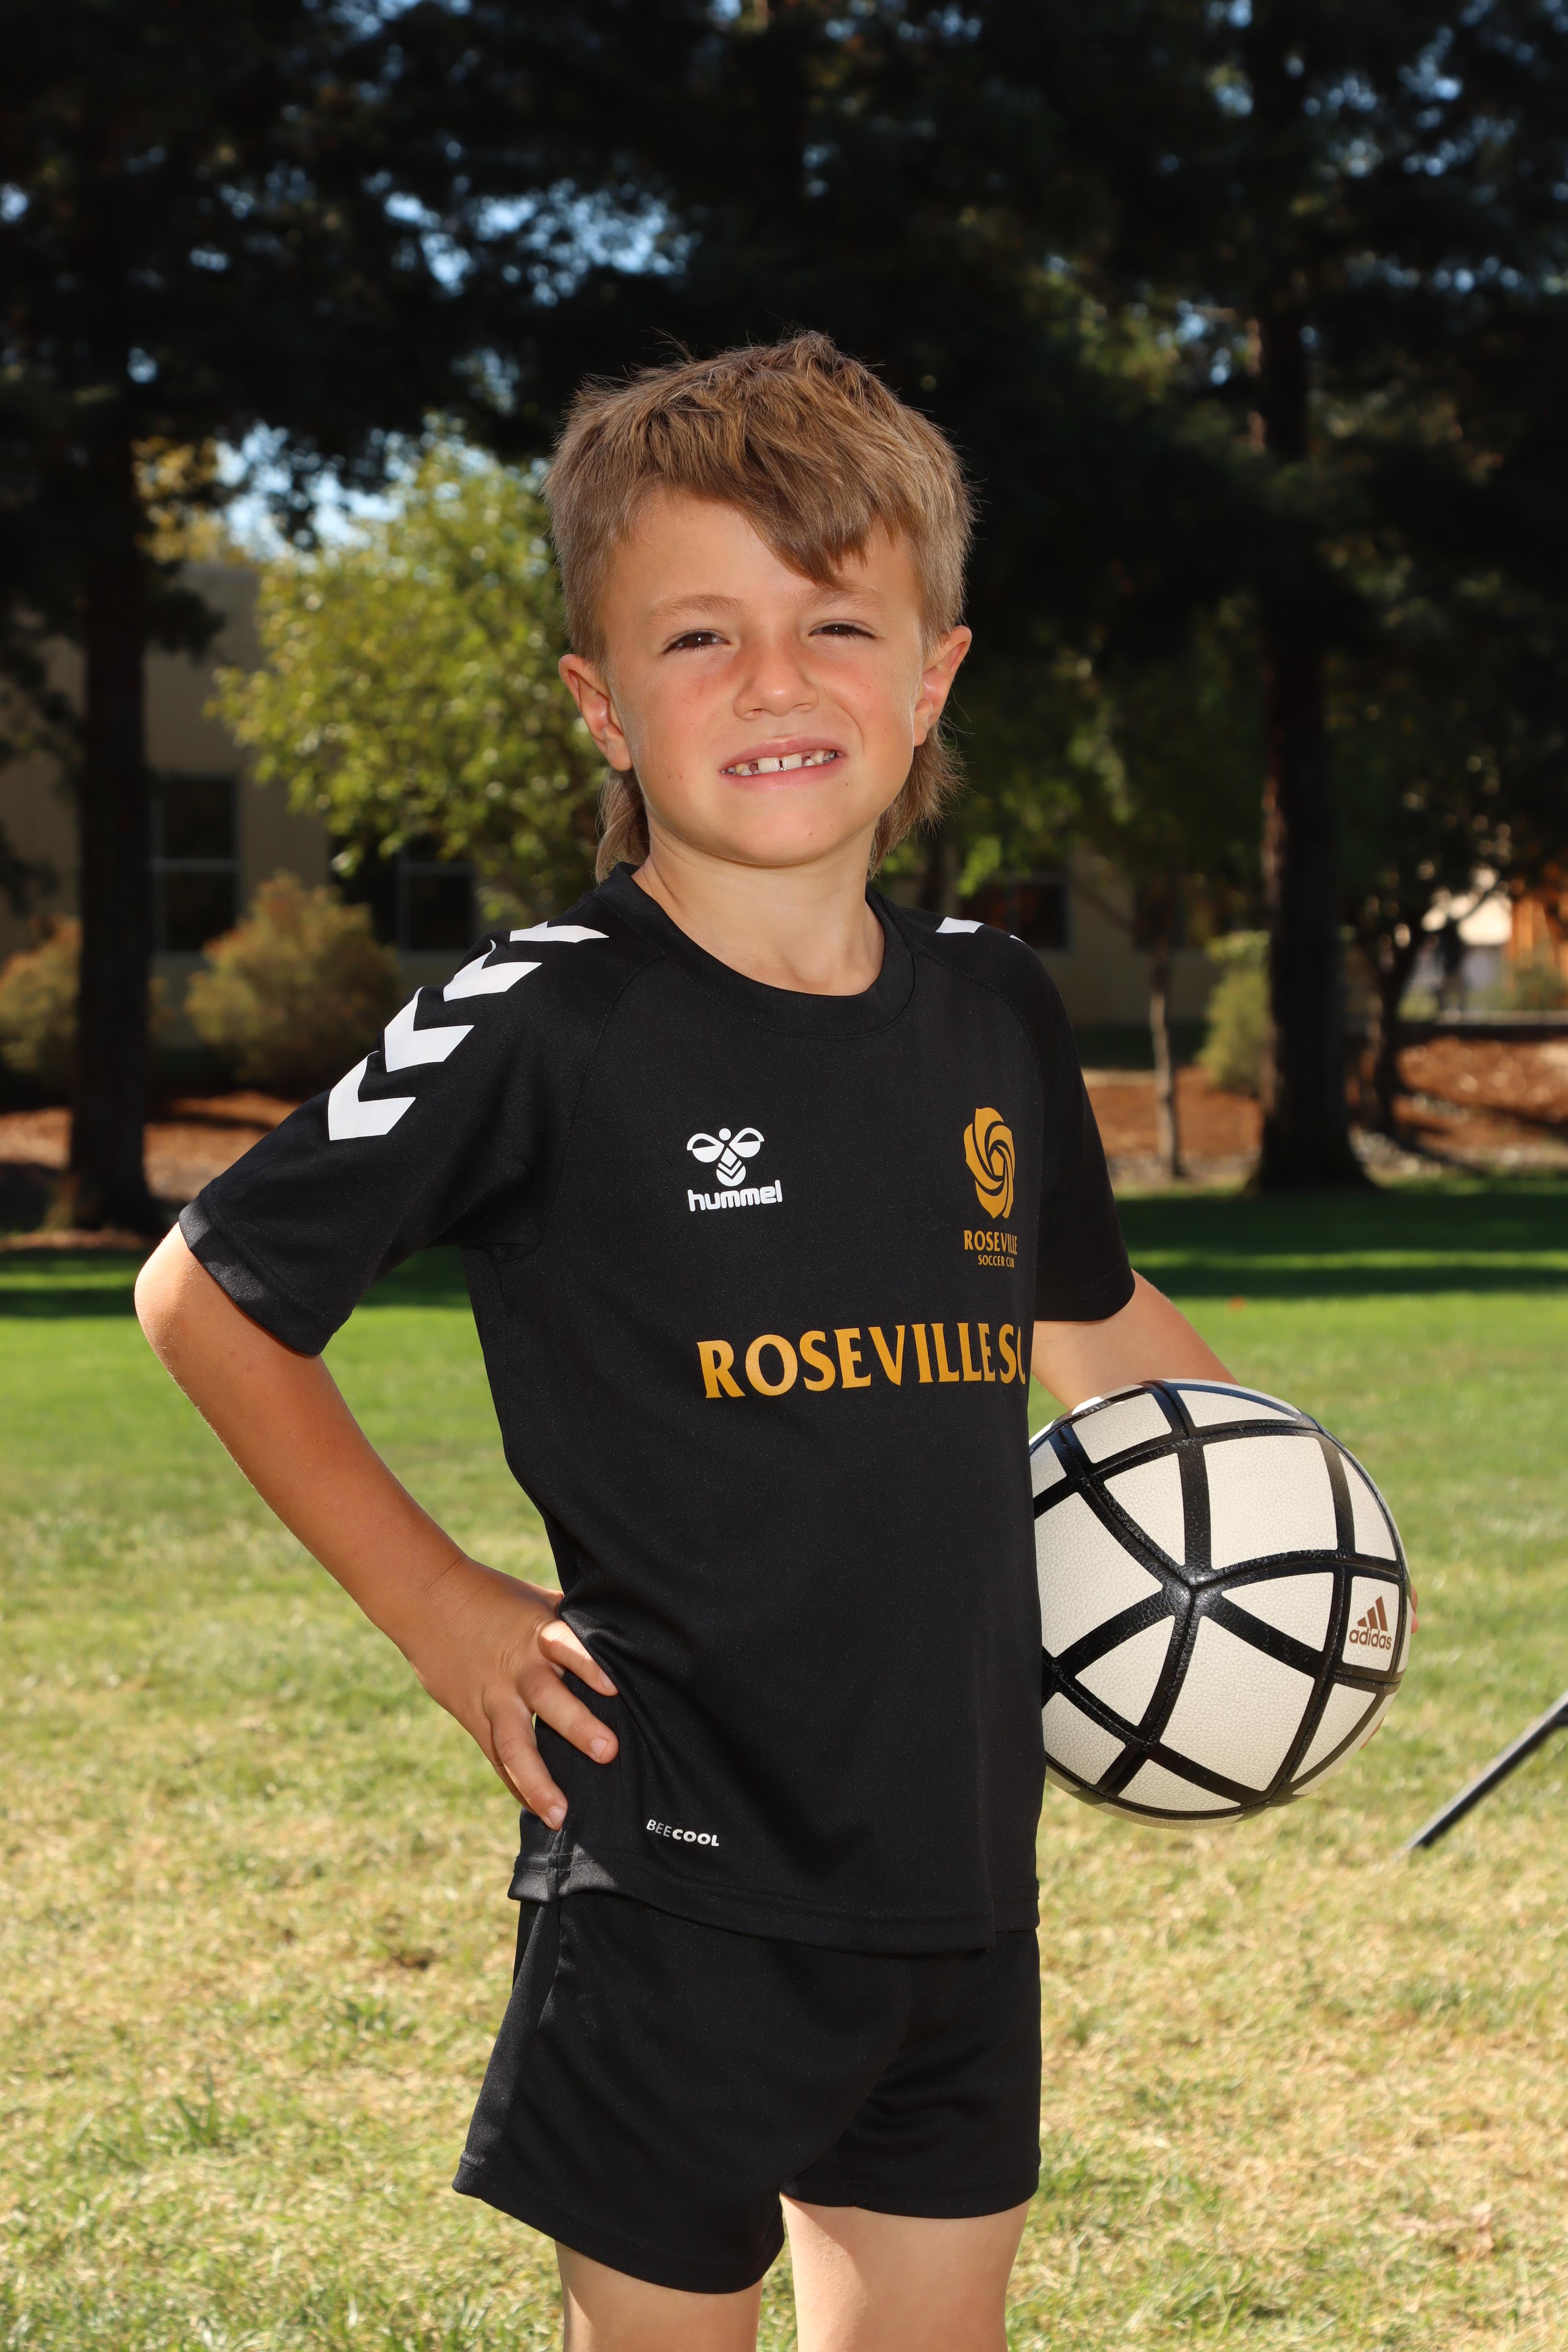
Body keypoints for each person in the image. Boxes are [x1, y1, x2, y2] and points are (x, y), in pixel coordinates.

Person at [135, 334, 1233, 2352]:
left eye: (836, 624)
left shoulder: (992, 1007)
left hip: (955, 1871)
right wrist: (443, 1610)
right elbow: (206, 1295)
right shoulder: (544, 1014)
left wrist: (1279, 1522)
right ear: (601, 703)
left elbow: (1087, 1321)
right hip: (675, 1882)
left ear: (933, 677)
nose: (773, 681)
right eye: (700, 634)